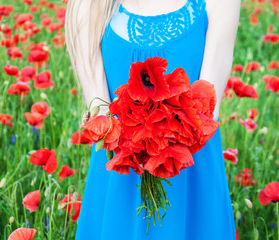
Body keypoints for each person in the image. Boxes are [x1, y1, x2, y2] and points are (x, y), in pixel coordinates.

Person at [65, 0, 240, 239]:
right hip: (120, 172)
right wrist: (134, 140)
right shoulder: (90, 4)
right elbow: (100, 111)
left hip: (188, 170)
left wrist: (157, 137)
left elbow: (208, 104)